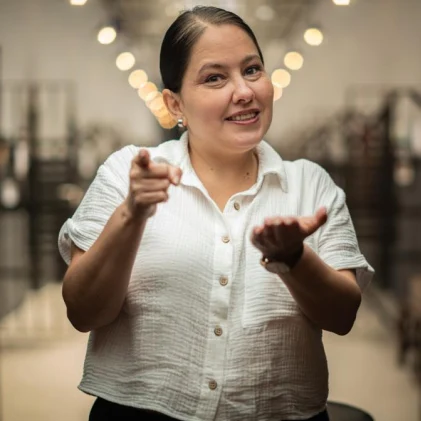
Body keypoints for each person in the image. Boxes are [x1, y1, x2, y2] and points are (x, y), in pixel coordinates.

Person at [58, 6, 374, 421]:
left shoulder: (310, 187)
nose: (244, 91)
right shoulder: (127, 173)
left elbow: (342, 316)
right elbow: (84, 312)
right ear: (175, 104)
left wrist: (295, 260)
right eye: (215, 77)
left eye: (253, 70)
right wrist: (131, 214)